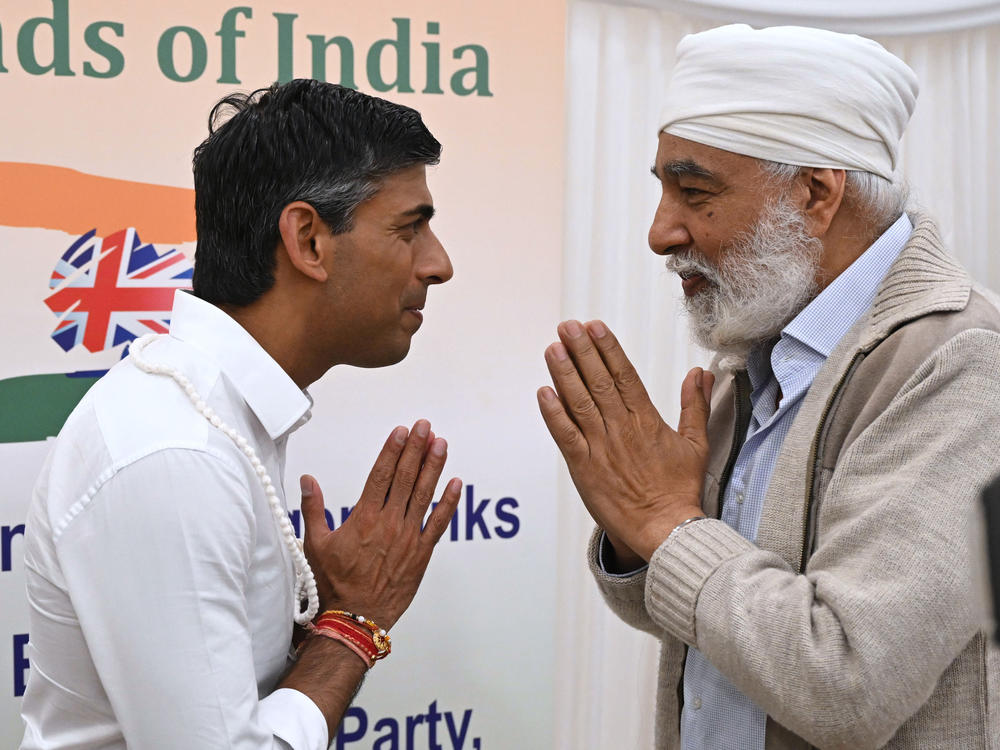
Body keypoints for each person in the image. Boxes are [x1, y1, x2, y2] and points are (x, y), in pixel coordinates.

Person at [537, 24, 1000, 750]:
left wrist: (666, 523)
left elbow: (848, 682)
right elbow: (703, 615)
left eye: (694, 192)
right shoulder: (761, 346)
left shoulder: (958, 361)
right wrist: (637, 532)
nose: (661, 231)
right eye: (664, 190)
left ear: (817, 192)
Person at [20, 79, 459, 750]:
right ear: (308, 240)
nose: (439, 264)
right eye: (409, 228)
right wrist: (349, 626)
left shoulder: (212, 413)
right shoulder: (177, 452)